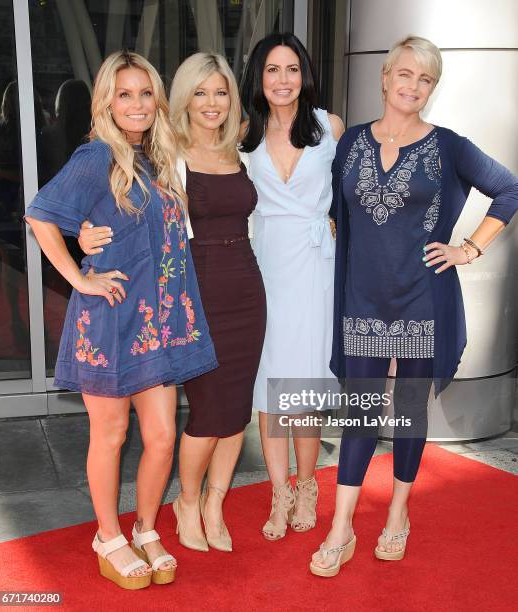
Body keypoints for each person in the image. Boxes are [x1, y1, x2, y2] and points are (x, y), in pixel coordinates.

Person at [311, 35, 518, 578]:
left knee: (406, 411)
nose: (413, 85)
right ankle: (342, 527)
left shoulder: (448, 145)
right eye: (404, 73)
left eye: (425, 79)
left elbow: (508, 189)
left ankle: (398, 513)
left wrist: (468, 247)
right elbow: (335, 209)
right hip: (362, 299)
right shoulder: (350, 142)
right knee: (361, 415)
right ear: (384, 78)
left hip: (422, 301)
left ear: (432, 87)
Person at [25, 50, 217, 589]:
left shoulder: (157, 158)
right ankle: (108, 535)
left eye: (145, 93)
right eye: (124, 93)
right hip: (109, 319)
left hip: (154, 324)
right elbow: (40, 216)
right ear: (106, 101)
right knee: (110, 435)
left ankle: (146, 527)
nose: (136, 104)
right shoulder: (95, 157)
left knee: (160, 436)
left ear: (157, 100)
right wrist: (79, 276)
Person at [78, 52, 266, 553]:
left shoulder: (242, 153)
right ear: (181, 99)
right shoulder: (166, 153)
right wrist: (84, 231)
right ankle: (186, 502)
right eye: (200, 92)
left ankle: (214, 504)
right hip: (188, 291)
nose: (211, 102)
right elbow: (114, 201)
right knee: (206, 411)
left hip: (246, 286)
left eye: (221, 92)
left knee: (237, 409)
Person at [240, 32, 344, 540]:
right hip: (264, 266)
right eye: (272, 70)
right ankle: (278, 494)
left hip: (315, 267)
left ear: (305, 74)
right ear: (259, 77)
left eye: (292, 69)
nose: (283, 80)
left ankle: (308, 486)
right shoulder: (243, 132)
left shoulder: (330, 127)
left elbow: (354, 197)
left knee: (304, 386)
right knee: (270, 386)